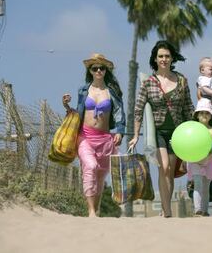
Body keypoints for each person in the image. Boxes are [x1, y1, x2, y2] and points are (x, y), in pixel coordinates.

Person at [128, 40, 194, 218]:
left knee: (170, 172)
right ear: (155, 59)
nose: (164, 59)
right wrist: (135, 135)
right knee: (163, 167)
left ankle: (166, 209)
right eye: (160, 56)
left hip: (177, 132)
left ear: (172, 58)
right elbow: (138, 109)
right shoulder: (149, 83)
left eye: (167, 56)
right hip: (158, 132)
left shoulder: (181, 80)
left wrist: (194, 131)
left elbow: (189, 108)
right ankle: (168, 211)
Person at [62, 53, 126, 217]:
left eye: (101, 68)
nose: (98, 71)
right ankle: (91, 211)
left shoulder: (112, 91)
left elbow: (119, 112)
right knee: (90, 167)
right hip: (85, 137)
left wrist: (119, 131)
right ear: (89, 70)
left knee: (99, 177)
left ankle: (95, 210)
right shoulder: (83, 90)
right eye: (95, 68)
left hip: (105, 139)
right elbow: (79, 113)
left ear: (106, 70)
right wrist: (66, 106)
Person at [187, 98, 212, 217]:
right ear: (197, 115)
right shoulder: (192, 129)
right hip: (195, 161)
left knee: (206, 187)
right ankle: (198, 209)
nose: (204, 115)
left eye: (207, 113)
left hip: (209, 161)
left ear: (211, 116)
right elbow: (187, 143)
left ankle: (205, 211)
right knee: (198, 184)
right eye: (201, 113)